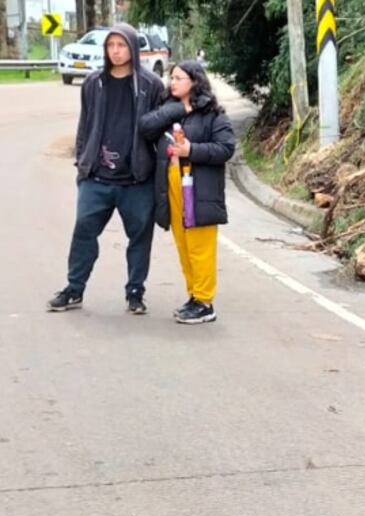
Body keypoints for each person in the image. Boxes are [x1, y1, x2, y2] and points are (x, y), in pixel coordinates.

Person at [48, 24, 167, 315]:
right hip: (96, 179)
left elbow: (161, 130)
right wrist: (82, 163)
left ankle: (135, 292)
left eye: (121, 45)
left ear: (133, 48)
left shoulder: (151, 85)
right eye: (111, 45)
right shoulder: (93, 83)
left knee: (139, 238)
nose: (116, 51)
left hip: (137, 180)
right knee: (83, 233)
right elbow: (84, 125)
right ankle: (74, 288)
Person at [138, 60, 235, 324]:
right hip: (172, 188)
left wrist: (191, 151)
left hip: (199, 190)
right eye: (172, 77)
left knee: (199, 247)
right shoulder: (170, 110)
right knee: (183, 246)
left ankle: (205, 302)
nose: (173, 82)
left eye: (179, 78)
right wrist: (175, 109)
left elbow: (226, 148)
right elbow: (145, 128)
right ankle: (194, 296)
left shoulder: (213, 114)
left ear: (195, 81)